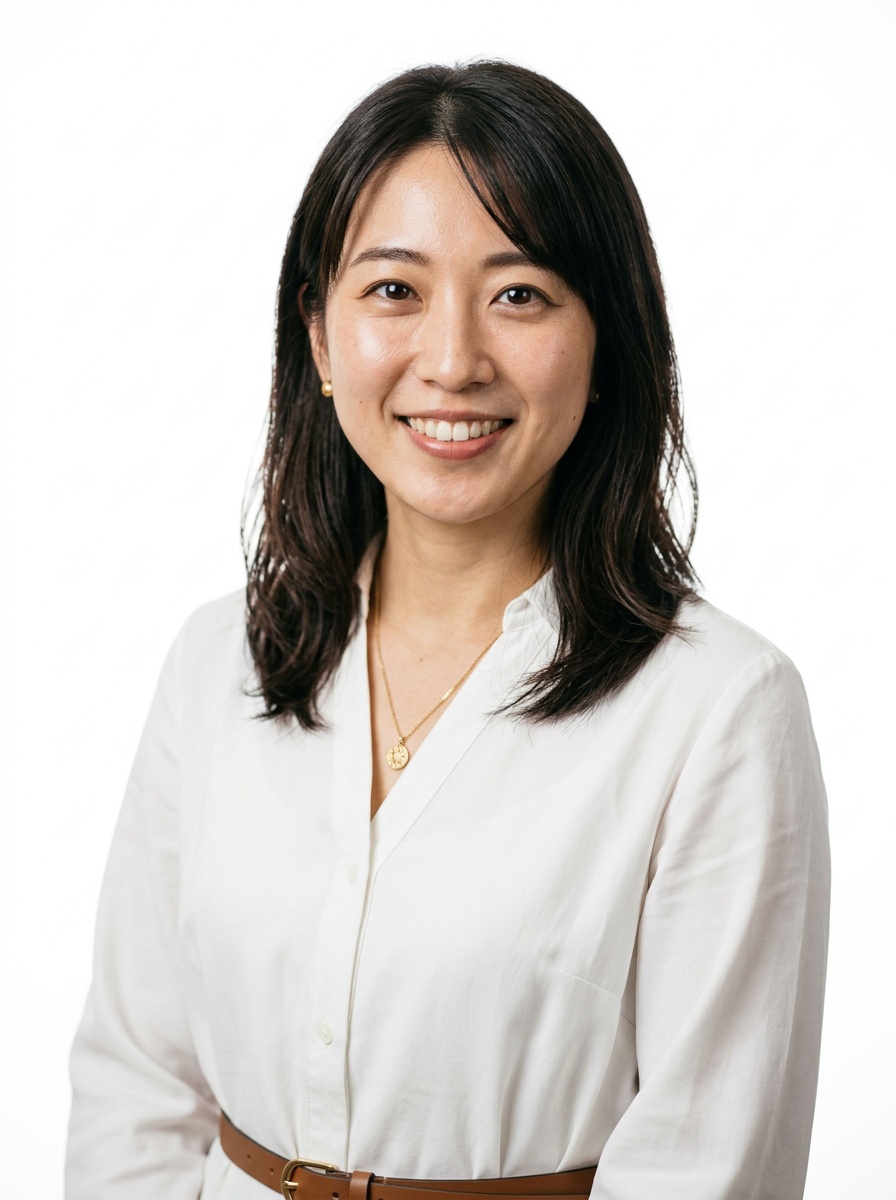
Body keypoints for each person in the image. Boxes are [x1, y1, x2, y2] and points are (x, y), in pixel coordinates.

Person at [65, 61, 830, 1200]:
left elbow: (705, 1162)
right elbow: (134, 1084)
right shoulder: (213, 661)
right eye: (392, 291)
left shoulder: (718, 710)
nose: (453, 359)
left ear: (605, 341)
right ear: (319, 340)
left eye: (518, 293)